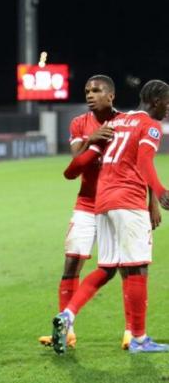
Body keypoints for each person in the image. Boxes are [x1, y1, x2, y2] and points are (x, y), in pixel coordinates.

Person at [51, 79, 169, 354]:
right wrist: (160, 190)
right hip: (128, 201)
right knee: (137, 267)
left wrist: (74, 166)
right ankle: (139, 338)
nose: (168, 107)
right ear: (155, 101)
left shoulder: (116, 124)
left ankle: (67, 316)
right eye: (167, 102)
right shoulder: (150, 125)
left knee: (107, 268)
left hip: (102, 203)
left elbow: (76, 167)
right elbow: (143, 162)